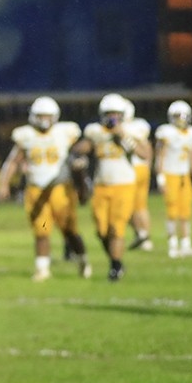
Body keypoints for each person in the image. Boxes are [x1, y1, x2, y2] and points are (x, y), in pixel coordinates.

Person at [0, 96, 91, 281]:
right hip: (36, 190)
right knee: (42, 229)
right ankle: (42, 268)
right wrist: (4, 183)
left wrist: (80, 165)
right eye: (40, 116)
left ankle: (83, 259)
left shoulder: (65, 132)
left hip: (60, 187)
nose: (44, 120)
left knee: (69, 230)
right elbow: (12, 161)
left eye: (47, 116)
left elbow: (81, 149)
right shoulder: (26, 135)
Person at [70, 93, 152, 281]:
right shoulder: (96, 132)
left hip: (124, 184)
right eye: (108, 114)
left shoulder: (130, 131)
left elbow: (144, 153)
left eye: (115, 114)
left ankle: (115, 267)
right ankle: (116, 261)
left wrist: (123, 137)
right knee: (101, 230)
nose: (111, 118)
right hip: (101, 186)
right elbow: (84, 146)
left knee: (117, 227)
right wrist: (76, 150)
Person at [154, 100, 192, 258]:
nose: (181, 120)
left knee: (186, 211)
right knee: (172, 211)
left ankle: (186, 244)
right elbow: (159, 157)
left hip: (184, 176)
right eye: (177, 116)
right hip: (170, 175)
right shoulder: (166, 133)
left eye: (183, 116)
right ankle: (172, 245)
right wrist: (160, 178)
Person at [123, 99, 154, 252]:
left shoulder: (123, 128)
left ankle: (142, 235)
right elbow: (148, 148)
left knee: (128, 206)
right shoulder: (139, 126)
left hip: (131, 170)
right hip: (143, 169)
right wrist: (149, 165)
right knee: (141, 207)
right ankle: (144, 237)